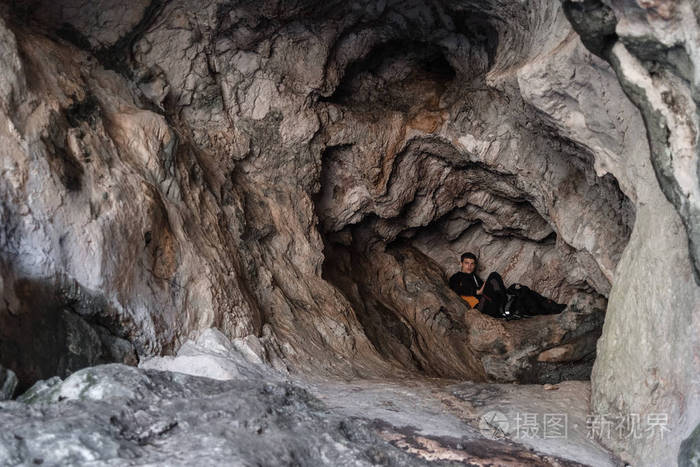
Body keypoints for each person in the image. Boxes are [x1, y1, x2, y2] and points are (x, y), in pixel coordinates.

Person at [448, 252, 507, 318]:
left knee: (495, 278)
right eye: (466, 263)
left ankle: (504, 307)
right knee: (493, 275)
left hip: (487, 303)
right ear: (461, 263)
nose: (469, 266)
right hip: (477, 307)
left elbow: (484, 289)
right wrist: (477, 292)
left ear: (475, 265)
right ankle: (504, 307)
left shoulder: (475, 277)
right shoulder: (456, 277)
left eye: (472, 264)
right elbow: (456, 289)